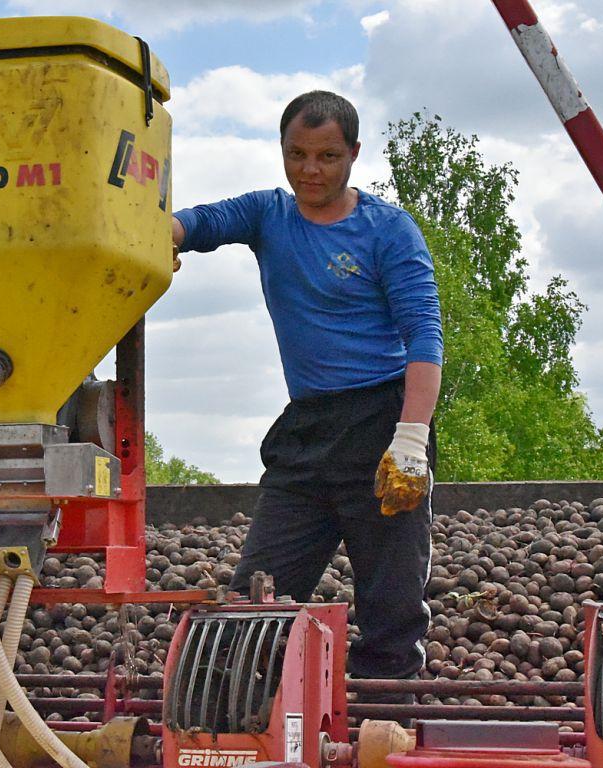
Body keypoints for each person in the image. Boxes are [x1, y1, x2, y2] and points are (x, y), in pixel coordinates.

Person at [171, 91, 443, 686]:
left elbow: (424, 336)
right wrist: (158, 235)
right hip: (307, 431)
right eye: (296, 154)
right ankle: (240, 705)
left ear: (353, 155)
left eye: (326, 156)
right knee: (255, 593)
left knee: (392, 600)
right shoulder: (271, 213)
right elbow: (204, 222)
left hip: (382, 423)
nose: (309, 171)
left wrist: (412, 439)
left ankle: (387, 709)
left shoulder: (388, 232)